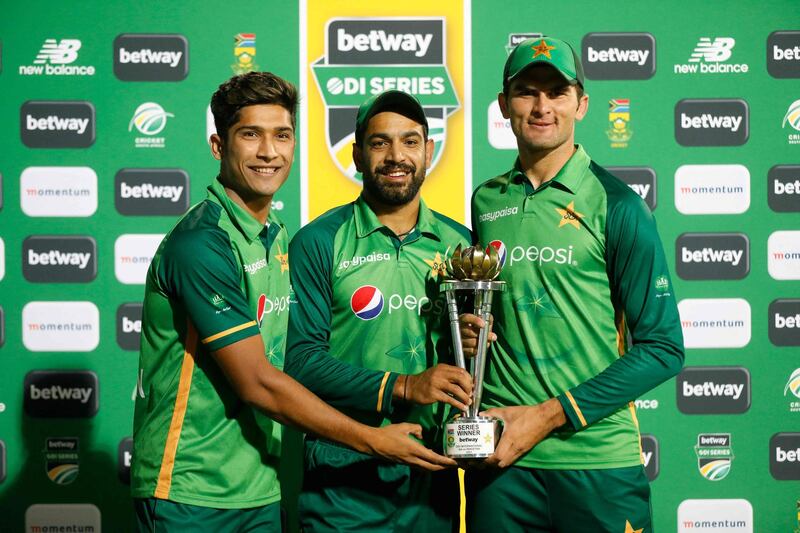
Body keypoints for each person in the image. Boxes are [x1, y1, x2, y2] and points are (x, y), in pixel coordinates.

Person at [131, 73, 456, 533]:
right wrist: (374, 436)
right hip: (189, 488)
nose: (269, 152)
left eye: (282, 135)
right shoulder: (201, 243)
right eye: (250, 135)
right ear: (217, 146)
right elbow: (260, 382)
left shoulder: (276, 237)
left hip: (261, 486)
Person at [460, 37, 685, 532]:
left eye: (557, 92)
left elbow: (664, 347)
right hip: (503, 464)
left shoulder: (618, 204)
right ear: (503, 105)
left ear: (580, 104)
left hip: (597, 462)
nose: (542, 107)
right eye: (526, 92)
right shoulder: (485, 201)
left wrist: (546, 416)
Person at [285, 90, 473, 532]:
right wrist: (405, 386)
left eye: (410, 142)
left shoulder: (461, 244)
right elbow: (300, 361)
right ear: (356, 154)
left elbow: (470, 358)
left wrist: (470, 339)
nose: (396, 156)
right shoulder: (317, 241)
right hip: (342, 481)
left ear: (428, 151)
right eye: (379, 142)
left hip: (431, 478)